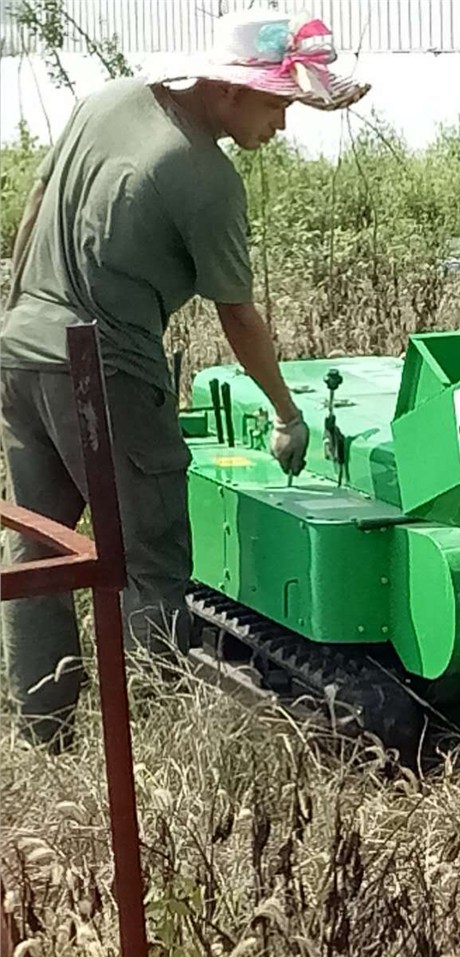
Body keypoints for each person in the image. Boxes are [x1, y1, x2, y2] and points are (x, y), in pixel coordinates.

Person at [0, 8, 370, 751]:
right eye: (278, 104)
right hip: (105, 372)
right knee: (152, 561)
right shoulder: (203, 177)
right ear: (229, 91)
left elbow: (33, 212)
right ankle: (153, 746)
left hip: (19, 353)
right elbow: (238, 315)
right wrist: (287, 412)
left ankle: (46, 735)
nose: (284, 126)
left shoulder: (106, 102)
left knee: (39, 551)